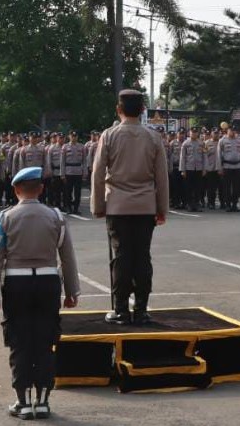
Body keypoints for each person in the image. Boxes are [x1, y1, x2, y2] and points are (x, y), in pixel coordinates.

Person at [0, 166, 79, 420]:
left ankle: (23, 402)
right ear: (41, 189)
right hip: (48, 283)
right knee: (46, 341)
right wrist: (72, 291)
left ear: (15, 190)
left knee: (20, 341)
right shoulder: (56, 217)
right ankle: (44, 400)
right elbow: (67, 257)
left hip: (17, 284)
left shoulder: (5, 218)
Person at [91, 89, 169, 325]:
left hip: (118, 205)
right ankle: (142, 309)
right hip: (145, 204)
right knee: (142, 257)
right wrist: (162, 208)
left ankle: (121, 310)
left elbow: (97, 173)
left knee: (122, 257)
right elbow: (161, 176)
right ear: (143, 110)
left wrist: (98, 206)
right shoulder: (153, 137)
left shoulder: (110, 135)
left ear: (119, 109)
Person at [216, 127, 240, 212]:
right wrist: (219, 168)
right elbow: (219, 155)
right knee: (227, 187)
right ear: (227, 131)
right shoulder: (222, 140)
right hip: (227, 166)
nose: (232, 132)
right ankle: (228, 204)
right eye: (230, 130)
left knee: (237, 187)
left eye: (234, 130)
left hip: (237, 166)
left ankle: (235, 204)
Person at [61, 131, 88, 215]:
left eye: (75, 136)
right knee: (68, 192)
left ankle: (76, 208)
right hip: (68, 172)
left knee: (77, 192)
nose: (74, 137)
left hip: (78, 172)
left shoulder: (82, 147)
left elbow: (84, 161)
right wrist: (62, 174)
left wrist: (84, 173)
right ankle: (69, 208)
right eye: (72, 136)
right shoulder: (65, 147)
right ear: (69, 137)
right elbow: (62, 161)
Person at [179, 127, 205, 212]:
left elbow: (204, 156)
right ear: (189, 133)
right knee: (189, 188)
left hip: (198, 168)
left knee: (198, 187)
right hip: (188, 168)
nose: (194, 134)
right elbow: (182, 157)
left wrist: (205, 169)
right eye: (192, 132)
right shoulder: (185, 143)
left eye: (195, 132)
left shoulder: (201, 143)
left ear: (197, 133)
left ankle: (196, 204)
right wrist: (183, 170)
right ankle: (189, 204)